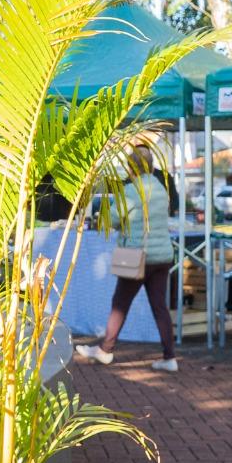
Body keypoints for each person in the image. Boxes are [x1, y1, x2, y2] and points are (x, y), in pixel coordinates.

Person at [75, 147, 179, 373]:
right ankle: (169, 357)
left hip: (137, 256)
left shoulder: (131, 191)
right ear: (151, 165)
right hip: (163, 256)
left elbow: (110, 220)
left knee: (120, 303)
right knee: (159, 306)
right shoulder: (161, 188)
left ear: (132, 168)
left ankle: (105, 349)